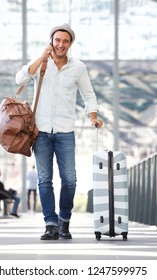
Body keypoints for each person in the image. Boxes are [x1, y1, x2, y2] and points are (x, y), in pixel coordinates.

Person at [16, 23, 103, 240]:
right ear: (51, 42)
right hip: (41, 131)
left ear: (70, 44)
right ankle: (51, 224)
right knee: (44, 180)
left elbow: (89, 95)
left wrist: (93, 117)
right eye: (57, 40)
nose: (61, 44)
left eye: (65, 41)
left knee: (70, 179)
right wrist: (41, 57)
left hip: (65, 131)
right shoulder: (41, 64)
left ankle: (64, 220)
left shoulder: (78, 68)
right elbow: (20, 79)